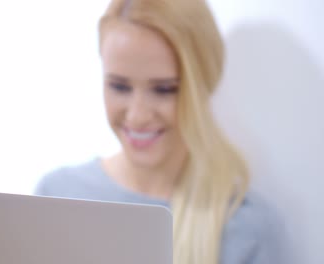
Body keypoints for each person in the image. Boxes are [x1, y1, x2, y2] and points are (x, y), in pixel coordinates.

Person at [35, 0, 284, 263]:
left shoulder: (245, 228)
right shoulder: (56, 196)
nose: (138, 116)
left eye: (164, 89)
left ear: (204, 87)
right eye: (119, 87)